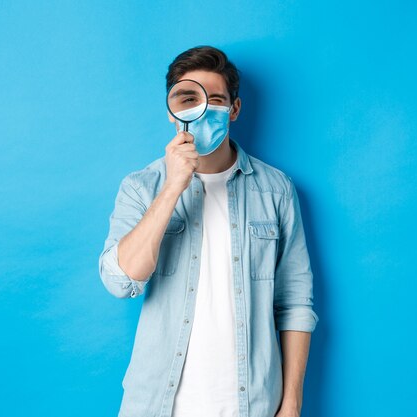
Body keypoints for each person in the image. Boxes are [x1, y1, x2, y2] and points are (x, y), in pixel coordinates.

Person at [98, 45, 319, 417]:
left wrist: (292, 404)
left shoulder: (276, 189)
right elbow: (121, 282)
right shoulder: (141, 187)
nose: (201, 109)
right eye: (187, 98)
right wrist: (172, 187)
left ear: (233, 109)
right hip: (157, 405)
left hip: (254, 405)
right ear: (172, 111)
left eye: (215, 99)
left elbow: (296, 303)